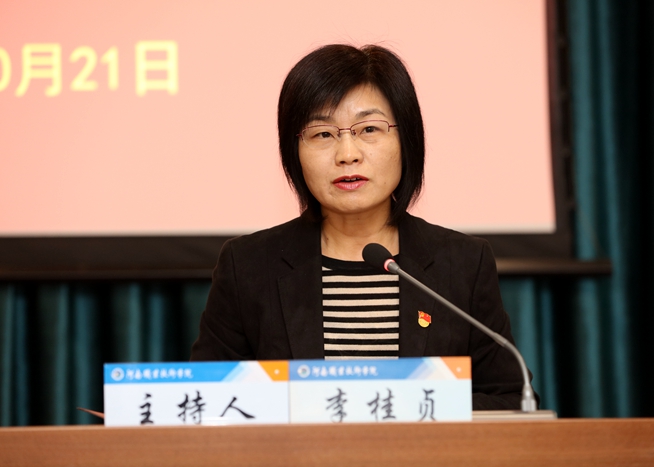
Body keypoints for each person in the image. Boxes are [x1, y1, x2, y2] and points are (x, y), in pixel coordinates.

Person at [191, 44, 537, 410]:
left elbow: (511, 400)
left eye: (369, 129)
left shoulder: (462, 263)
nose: (347, 154)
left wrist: (411, 413)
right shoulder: (248, 266)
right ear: (294, 151)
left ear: (407, 140)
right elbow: (206, 403)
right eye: (322, 134)